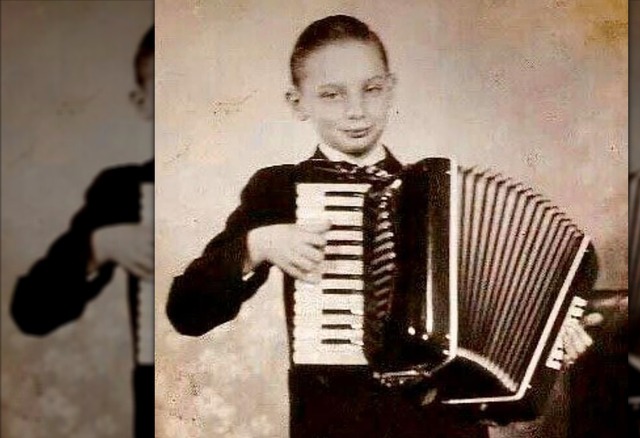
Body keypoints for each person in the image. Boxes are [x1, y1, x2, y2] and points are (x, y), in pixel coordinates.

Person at [166, 15, 597, 438]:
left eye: (370, 90)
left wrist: (547, 344)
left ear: (390, 89)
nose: (356, 111)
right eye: (332, 95)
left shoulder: (437, 197)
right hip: (337, 423)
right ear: (298, 103)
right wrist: (254, 245)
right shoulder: (280, 190)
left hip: (441, 429)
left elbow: (498, 334)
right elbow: (187, 312)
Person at [10, 26, 155, 438]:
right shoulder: (124, 191)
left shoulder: (267, 184)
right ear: (142, 103)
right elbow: (30, 311)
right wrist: (98, 246)